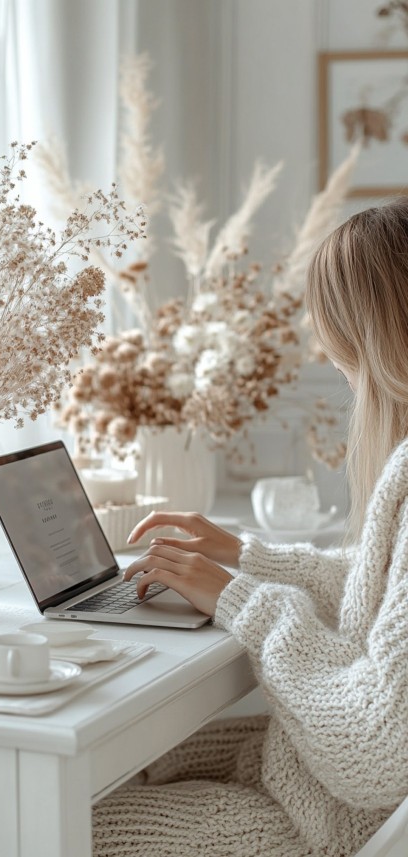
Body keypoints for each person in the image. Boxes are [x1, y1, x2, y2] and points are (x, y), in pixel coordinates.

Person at [92, 198, 408, 857]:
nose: (331, 354)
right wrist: (246, 554)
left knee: (65, 824)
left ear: (373, 335)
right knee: (128, 764)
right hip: (316, 787)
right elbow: (385, 584)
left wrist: (245, 600)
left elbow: (377, 750)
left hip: (336, 825)